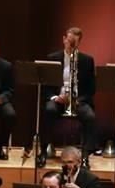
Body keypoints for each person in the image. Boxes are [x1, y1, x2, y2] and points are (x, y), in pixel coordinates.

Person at [37, 27, 97, 166]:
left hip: (78, 101)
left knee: (90, 116)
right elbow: (46, 86)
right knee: (49, 110)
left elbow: (91, 89)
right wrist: (55, 97)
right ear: (64, 39)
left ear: (79, 43)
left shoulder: (87, 61)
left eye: (74, 43)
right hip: (58, 99)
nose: (70, 45)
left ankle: (85, 156)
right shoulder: (53, 58)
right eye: (69, 41)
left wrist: (77, 100)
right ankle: (43, 152)